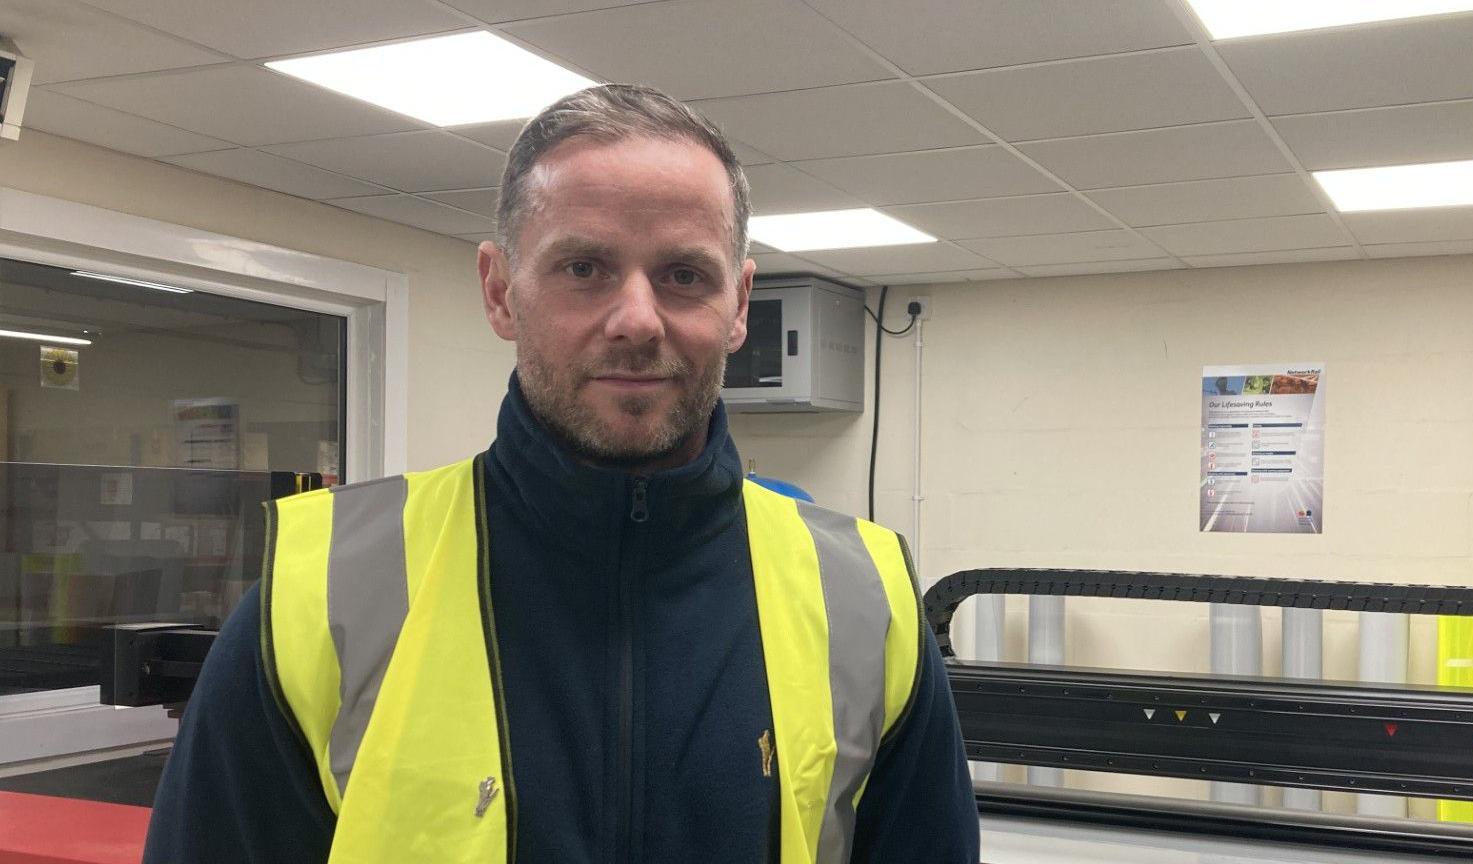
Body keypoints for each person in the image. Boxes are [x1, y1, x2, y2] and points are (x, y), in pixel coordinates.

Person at [143, 83, 979, 864]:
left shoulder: (866, 601)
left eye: (684, 276)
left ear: (738, 308)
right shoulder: (319, 595)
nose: (637, 319)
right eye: (585, 268)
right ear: (501, 291)